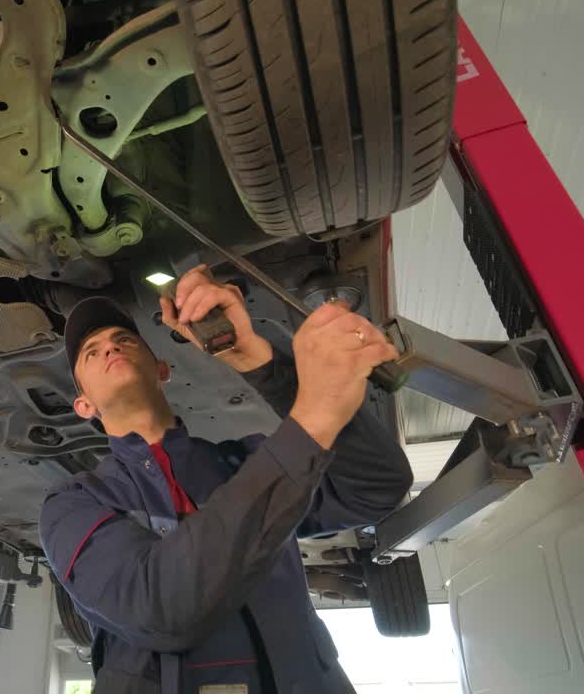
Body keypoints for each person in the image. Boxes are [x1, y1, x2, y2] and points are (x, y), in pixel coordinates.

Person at [39, 265, 414, 694]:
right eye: (92, 351)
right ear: (83, 405)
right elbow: (160, 611)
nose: (111, 348)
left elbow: (377, 485)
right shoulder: (72, 503)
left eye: (125, 339)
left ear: (162, 369)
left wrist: (262, 364)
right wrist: (311, 421)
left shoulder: (247, 459)